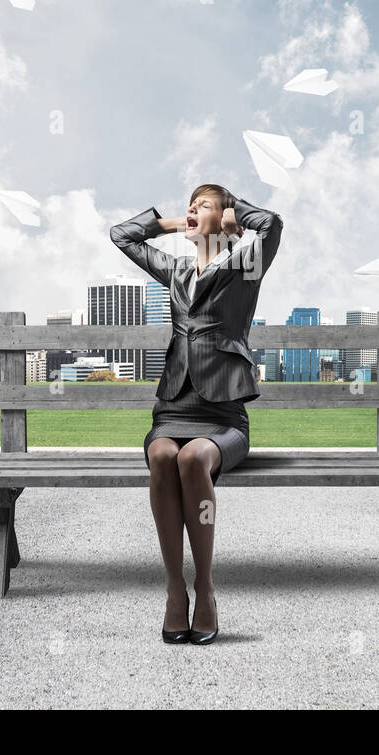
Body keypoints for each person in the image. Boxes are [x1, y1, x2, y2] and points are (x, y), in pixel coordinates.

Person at [109, 184, 283, 644]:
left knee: (191, 459)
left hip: (223, 420)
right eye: (190, 204)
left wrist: (233, 215)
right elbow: (121, 236)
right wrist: (172, 223)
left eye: (200, 205)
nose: (191, 210)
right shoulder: (176, 269)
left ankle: (204, 588)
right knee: (165, 455)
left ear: (224, 218)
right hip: (172, 410)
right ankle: (173, 590)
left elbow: (272, 224)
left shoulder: (244, 266)